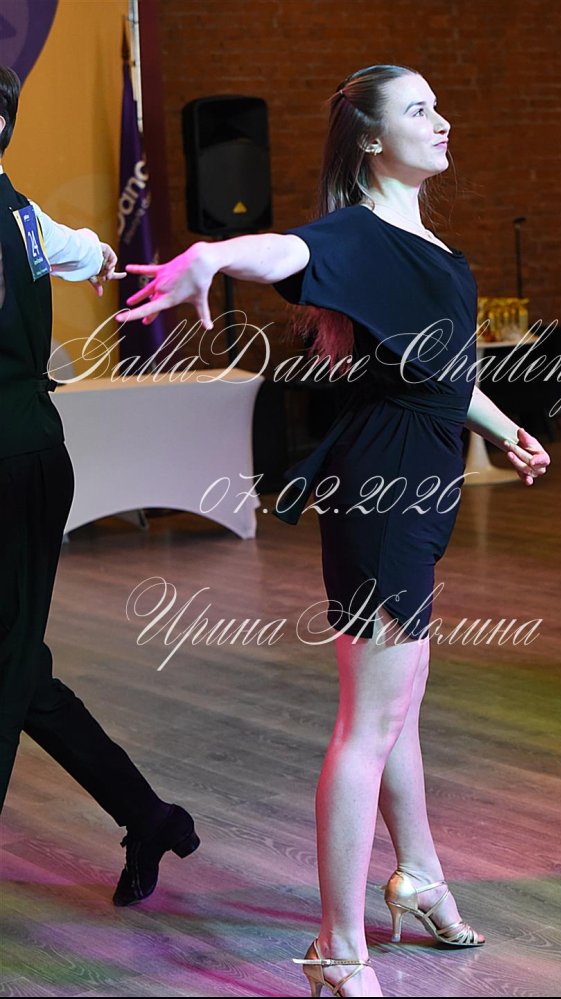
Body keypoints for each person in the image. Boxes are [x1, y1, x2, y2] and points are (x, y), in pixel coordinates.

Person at [120, 64, 551, 997]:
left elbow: (439, 370)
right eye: (421, 110)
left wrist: (502, 424)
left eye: (440, 105)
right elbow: (285, 251)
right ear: (372, 138)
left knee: (400, 708)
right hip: (385, 494)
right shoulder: (356, 232)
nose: (443, 120)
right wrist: (213, 256)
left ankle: (420, 876)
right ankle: (337, 949)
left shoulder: (418, 240)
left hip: (417, 488)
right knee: (369, 724)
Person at [0, 66, 199, 907]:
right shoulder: (20, 211)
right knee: (20, 672)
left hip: (17, 465)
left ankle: (149, 816)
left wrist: (93, 253)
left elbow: (81, 248)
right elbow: (86, 247)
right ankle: (148, 816)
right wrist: (100, 253)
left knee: (9, 669)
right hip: (26, 457)